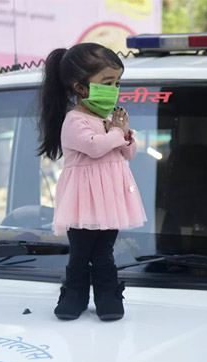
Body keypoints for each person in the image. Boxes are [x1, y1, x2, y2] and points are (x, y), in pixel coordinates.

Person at [37, 43, 146, 321]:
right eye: (107, 82)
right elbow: (95, 147)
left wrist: (125, 135)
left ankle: (109, 299)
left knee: (104, 254)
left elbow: (129, 152)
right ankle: (74, 298)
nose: (114, 88)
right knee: (80, 253)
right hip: (82, 203)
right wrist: (118, 133)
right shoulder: (75, 121)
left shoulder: (108, 119)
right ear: (81, 88)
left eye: (117, 82)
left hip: (109, 203)